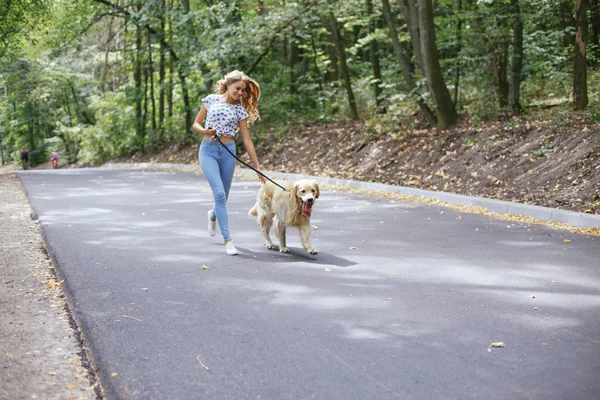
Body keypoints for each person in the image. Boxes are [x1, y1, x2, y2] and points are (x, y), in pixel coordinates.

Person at [192, 70, 266, 255]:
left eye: (243, 91)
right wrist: (204, 131)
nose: (240, 93)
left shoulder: (240, 111)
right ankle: (228, 241)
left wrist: (257, 167)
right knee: (219, 194)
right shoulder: (210, 100)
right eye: (237, 88)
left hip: (228, 152)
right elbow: (196, 123)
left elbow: (247, 140)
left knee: (223, 196)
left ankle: (213, 214)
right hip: (208, 151)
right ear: (228, 84)